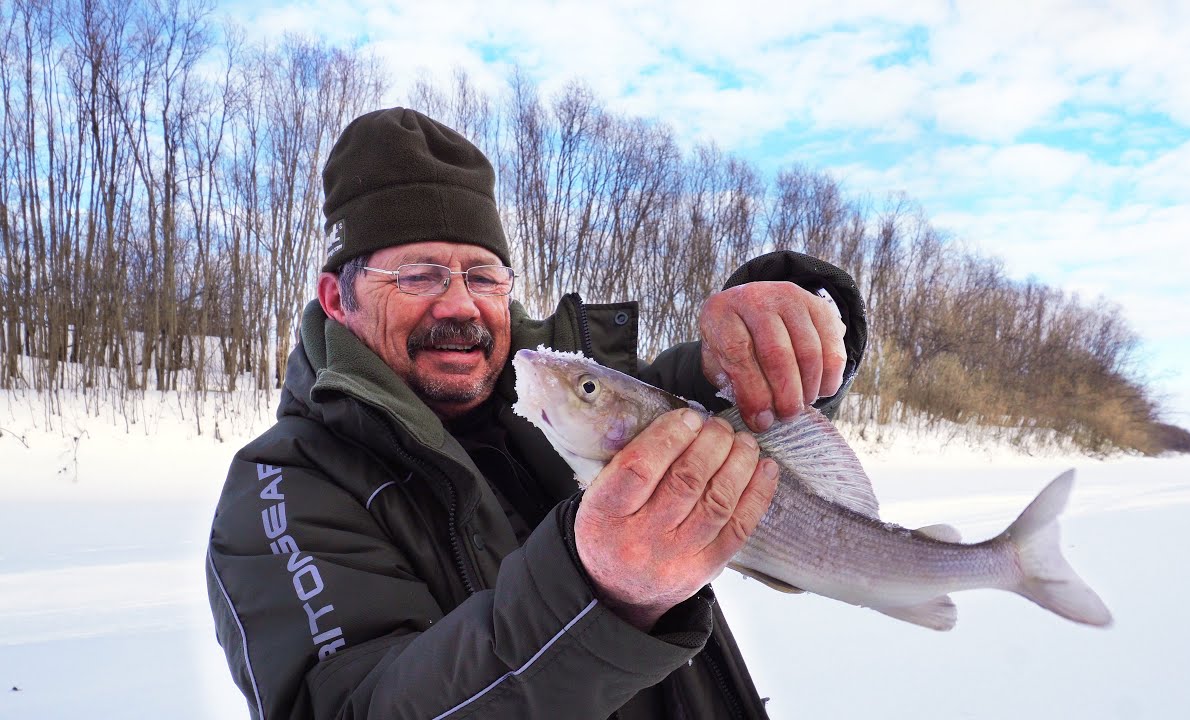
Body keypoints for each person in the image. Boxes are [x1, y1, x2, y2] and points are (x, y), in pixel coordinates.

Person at [206, 107, 868, 719]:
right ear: (337, 298)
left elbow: (707, 389)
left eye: (484, 276)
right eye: (419, 275)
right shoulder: (285, 490)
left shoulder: (573, 392)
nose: (460, 306)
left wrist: (793, 323)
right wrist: (593, 595)